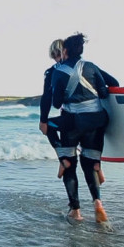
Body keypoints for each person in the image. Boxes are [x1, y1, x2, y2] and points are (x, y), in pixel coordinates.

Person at [50, 32, 119, 223]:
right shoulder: (91, 66)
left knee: (70, 166)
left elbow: (56, 103)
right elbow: (110, 88)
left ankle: (76, 211)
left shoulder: (58, 71)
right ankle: (98, 203)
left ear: (65, 51)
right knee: (90, 164)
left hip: (72, 123)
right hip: (96, 121)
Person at [39, 39, 77, 179]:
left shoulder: (52, 72)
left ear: (65, 52)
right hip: (87, 116)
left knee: (70, 159)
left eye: (58, 54)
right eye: (54, 55)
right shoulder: (83, 67)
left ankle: (62, 160)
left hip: (69, 118)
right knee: (89, 156)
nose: (56, 58)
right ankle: (97, 167)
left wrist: (43, 120)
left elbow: (48, 97)